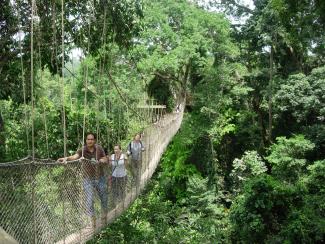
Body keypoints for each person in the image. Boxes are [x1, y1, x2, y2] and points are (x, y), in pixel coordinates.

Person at [57, 132, 108, 227]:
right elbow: (75, 157)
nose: (90, 141)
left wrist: (101, 160)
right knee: (89, 200)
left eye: (92, 139)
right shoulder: (83, 150)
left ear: (94, 140)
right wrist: (66, 158)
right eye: (88, 139)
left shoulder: (99, 148)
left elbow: (105, 158)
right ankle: (93, 220)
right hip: (87, 178)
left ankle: (104, 214)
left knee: (104, 197)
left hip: (99, 177)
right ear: (86, 140)